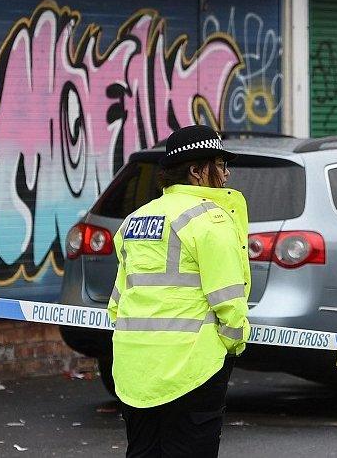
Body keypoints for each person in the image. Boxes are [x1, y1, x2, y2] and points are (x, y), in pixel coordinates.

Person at [107, 125, 250, 458]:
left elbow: (118, 301)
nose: (226, 175)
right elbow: (228, 300)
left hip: (135, 370)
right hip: (191, 369)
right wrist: (234, 344)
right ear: (196, 171)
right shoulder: (209, 220)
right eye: (220, 164)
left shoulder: (134, 220)